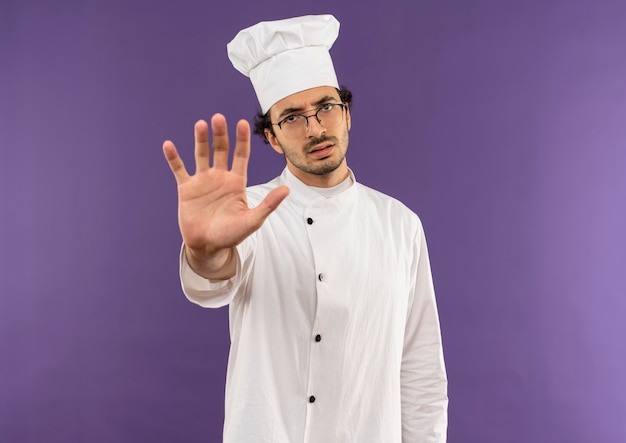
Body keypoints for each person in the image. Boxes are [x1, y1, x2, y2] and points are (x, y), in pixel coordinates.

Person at [163, 14, 448, 443]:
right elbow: (213, 285)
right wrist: (205, 252)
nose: (315, 128)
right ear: (273, 138)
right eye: (292, 117)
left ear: (346, 114)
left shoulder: (399, 225)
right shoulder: (249, 211)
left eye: (325, 108)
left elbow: (420, 367)